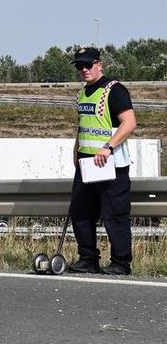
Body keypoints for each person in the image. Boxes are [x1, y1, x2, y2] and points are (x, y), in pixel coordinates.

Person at [69, 47, 137, 275]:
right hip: (87, 163)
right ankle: (88, 259)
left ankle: (121, 263)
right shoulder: (82, 94)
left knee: (114, 214)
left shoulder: (114, 90)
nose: (84, 70)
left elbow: (129, 123)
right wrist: (76, 151)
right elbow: (83, 126)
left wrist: (108, 147)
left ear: (100, 64)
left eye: (88, 65)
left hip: (111, 164)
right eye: (80, 66)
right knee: (80, 212)